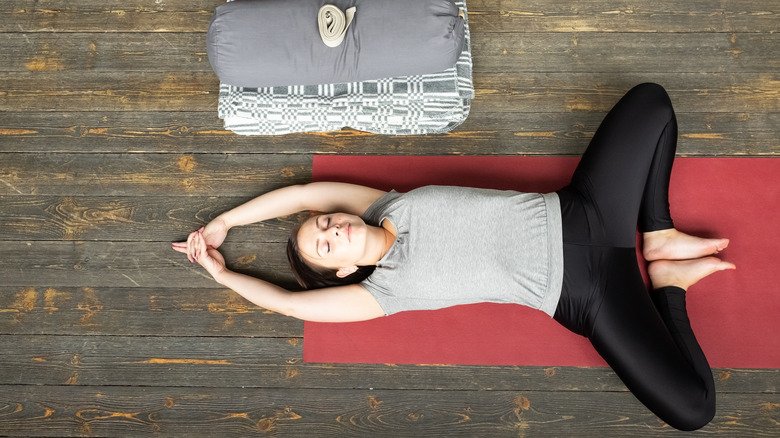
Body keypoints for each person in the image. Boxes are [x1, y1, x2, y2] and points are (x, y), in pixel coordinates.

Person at [172, 83, 734, 431]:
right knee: (694, 410)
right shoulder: (379, 293)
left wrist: (226, 221)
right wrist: (224, 277)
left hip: (585, 211)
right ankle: (669, 285)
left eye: (325, 224)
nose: (332, 229)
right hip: (587, 294)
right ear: (342, 271)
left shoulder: (385, 205)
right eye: (326, 245)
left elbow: (300, 194)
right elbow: (289, 304)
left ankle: (658, 235)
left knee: (652, 101)